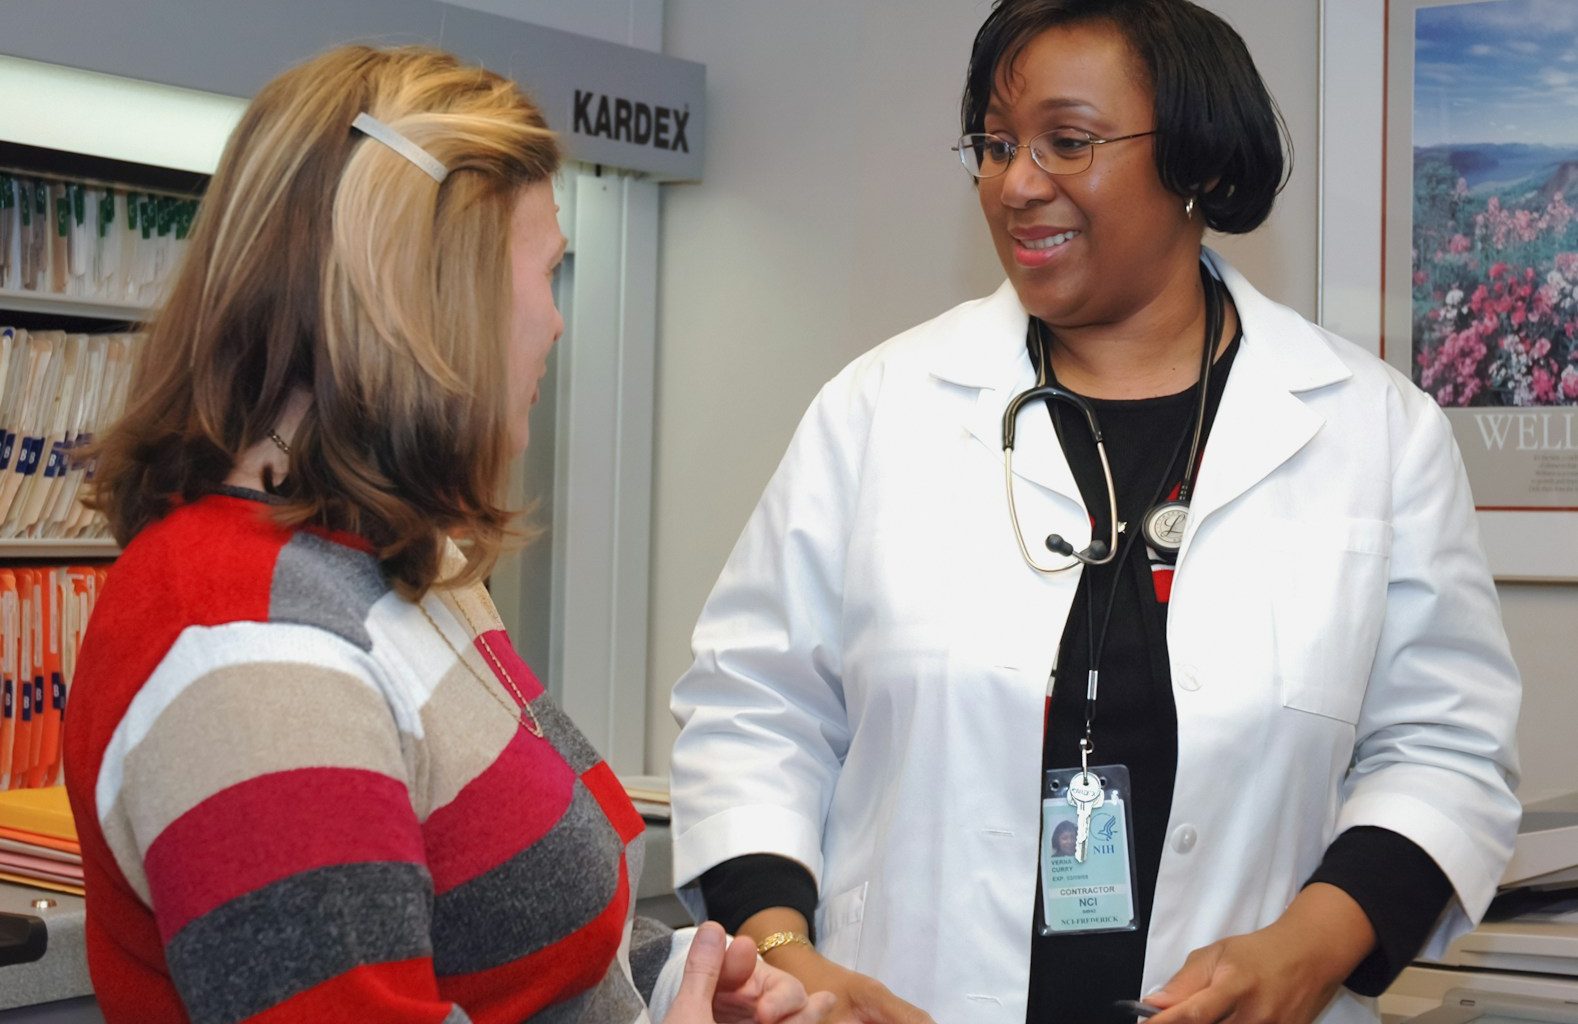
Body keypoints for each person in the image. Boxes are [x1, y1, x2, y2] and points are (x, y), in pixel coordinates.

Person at [667, 2, 1521, 1023]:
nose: (1017, 183)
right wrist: (782, 949)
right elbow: (752, 712)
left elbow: (1444, 750)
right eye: (994, 143)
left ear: (1197, 161)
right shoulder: (880, 409)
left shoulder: (1372, 431)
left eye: (1066, 142)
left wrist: (1309, 948)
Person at [61, 44, 831, 1024]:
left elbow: (504, 968)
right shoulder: (247, 653)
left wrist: (673, 984)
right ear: (433, 297)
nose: (554, 322)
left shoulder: (407, 568)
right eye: (547, 273)